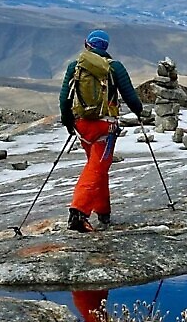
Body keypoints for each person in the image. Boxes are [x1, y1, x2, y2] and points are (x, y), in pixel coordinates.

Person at [59, 29, 143, 233]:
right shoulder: (115, 67)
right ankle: (78, 212)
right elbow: (130, 97)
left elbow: (65, 98)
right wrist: (139, 112)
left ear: (87, 45)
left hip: (82, 125)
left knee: (97, 166)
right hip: (105, 126)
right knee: (96, 168)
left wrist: (68, 122)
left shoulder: (75, 67)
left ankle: (103, 212)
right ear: (105, 47)